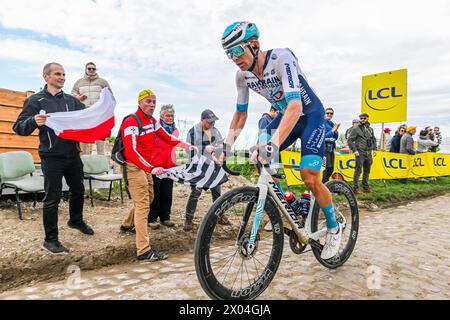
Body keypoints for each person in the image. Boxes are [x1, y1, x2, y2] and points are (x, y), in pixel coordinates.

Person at [219, 21, 342, 260]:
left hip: (310, 117)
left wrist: (272, 145)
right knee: (260, 153)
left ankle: (334, 227)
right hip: (287, 117)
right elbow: (241, 114)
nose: (233, 58)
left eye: (236, 50)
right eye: (228, 53)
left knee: (309, 176)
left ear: (254, 45)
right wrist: (227, 145)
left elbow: (295, 106)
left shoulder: (281, 58)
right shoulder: (242, 76)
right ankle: (289, 205)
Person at [13, 62, 94, 254]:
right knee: (52, 198)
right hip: (51, 156)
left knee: (78, 190)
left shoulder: (71, 100)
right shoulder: (36, 101)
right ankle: (50, 240)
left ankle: (75, 220)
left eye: (64, 74)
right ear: (46, 77)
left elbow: (87, 116)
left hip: (73, 154)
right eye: (58, 74)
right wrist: (33, 121)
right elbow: (18, 128)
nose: (62, 78)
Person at [119, 89, 196, 262]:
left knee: (150, 197)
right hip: (134, 166)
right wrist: (151, 168)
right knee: (143, 206)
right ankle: (144, 251)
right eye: (148, 101)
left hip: (145, 167)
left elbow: (167, 137)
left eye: (154, 102)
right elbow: (131, 152)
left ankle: (126, 225)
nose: (152, 105)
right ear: (139, 102)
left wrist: (187, 146)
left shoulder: (152, 121)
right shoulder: (131, 121)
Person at [183, 109, 230, 232]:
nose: (212, 124)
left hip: (214, 166)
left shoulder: (216, 131)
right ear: (202, 120)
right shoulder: (192, 132)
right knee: (195, 193)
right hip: (199, 167)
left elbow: (221, 144)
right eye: (209, 122)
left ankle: (220, 215)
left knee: (217, 192)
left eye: (213, 121)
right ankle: (188, 219)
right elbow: (189, 149)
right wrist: (204, 148)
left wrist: (224, 152)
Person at [147, 104, 178, 230]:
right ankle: (152, 218)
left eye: (172, 116)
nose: (170, 118)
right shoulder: (154, 128)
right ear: (161, 116)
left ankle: (165, 217)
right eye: (167, 115)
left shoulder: (175, 130)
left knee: (167, 193)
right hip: (156, 165)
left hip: (169, 166)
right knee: (156, 193)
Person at [72, 62, 112, 155]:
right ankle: (85, 161)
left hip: (98, 114)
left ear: (95, 70)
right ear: (86, 70)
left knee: (100, 137)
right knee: (84, 137)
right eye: (89, 68)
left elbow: (110, 95)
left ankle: (101, 159)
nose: (91, 70)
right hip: (85, 113)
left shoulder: (102, 82)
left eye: (93, 69)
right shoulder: (79, 82)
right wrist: (78, 97)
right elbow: (72, 93)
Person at [347, 113, 377, 194]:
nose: (362, 119)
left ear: (367, 118)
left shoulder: (370, 129)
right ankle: (356, 188)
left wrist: (375, 149)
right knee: (358, 170)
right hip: (360, 152)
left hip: (368, 152)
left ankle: (366, 187)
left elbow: (374, 139)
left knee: (367, 171)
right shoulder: (356, 129)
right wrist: (354, 150)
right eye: (361, 118)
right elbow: (349, 140)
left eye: (364, 118)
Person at [322, 107, 340, 183]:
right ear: (324, 113)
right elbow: (322, 137)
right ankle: (324, 186)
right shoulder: (322, 123)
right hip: (324, 148)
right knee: (327, 167)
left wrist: (335, 131)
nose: (329, 114)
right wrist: (333, 130)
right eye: (327, 113)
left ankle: (325, 185)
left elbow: (335, 137)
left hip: (331, 148)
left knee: (330, 168)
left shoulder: (331, 123)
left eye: (331, 113)